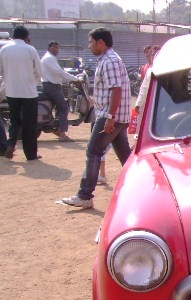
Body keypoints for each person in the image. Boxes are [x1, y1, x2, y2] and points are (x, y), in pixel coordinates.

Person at [60, 27, 131, 209]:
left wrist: (109, 117)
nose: (89, 45)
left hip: (112, 116)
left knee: (93, 152)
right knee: (126, 157)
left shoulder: (110, 61)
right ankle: (143, 187)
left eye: (91, 42)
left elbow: (116, 89)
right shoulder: (108, 60)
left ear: (101, 42)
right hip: (115, 116)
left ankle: (85, 195)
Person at [0, 25, 42, 160]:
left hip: (12, 92)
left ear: (13, 36)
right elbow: (39, 71)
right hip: (29, 92)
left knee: (14, 121)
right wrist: (34, 80)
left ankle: (11, 144)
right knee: (29, 124)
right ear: (26, 37)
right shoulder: (30, 49)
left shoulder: (4, 49)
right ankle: (30, 154)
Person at [41, 41, 82, 142]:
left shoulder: (50, 58)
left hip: (51, 86)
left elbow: (59, 74)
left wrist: (70, 79)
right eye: (54, 48)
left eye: (57, 48)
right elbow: (60, 72)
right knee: (64, 107)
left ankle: (57, 129)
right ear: (49, 48)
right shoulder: (48, 58)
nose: (56, 50)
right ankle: (62, 134)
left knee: (60, 107)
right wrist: (75, 79)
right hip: (51, 87)